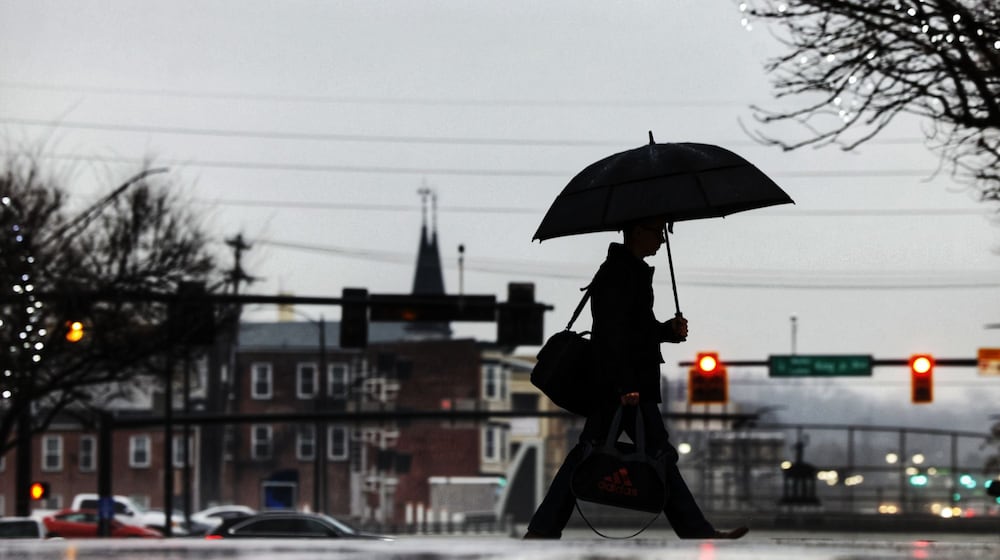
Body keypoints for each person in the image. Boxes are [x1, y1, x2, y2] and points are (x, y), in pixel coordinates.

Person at [524, 216, 749, 540]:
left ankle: (543, 528)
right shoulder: (621, 274)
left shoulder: (625, 271)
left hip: (618, 382)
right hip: (624, 384)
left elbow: (634, 331)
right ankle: (695, 529)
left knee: (596, 451)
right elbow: (614, 337)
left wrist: (666, 331)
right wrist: (626, 385)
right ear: (638, 232)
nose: (661, 239)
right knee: (653, 452)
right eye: (657, 232)